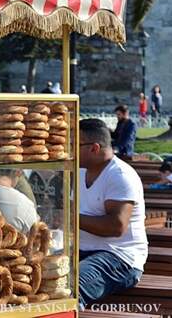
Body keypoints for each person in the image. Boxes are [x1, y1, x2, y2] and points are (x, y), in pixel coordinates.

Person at [78, 118, 147, 308]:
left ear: (94, 148)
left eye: (74, 144)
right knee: (36, 279)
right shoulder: (80, 172)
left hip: (120, 258)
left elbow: (116, 226)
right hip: (84, 252)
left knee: (71, 287)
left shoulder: (120, 176)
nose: (69, 150)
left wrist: (71, 219)